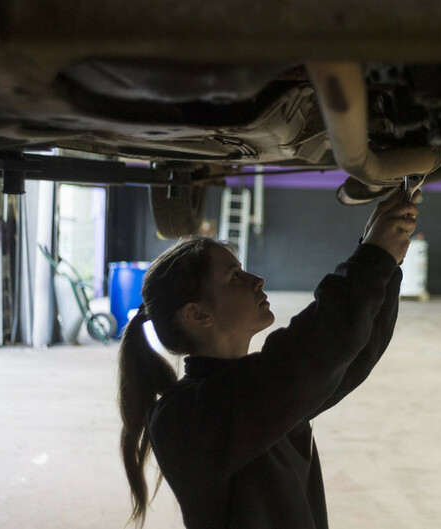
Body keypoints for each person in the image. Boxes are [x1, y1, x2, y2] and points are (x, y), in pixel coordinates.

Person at [117, 188, 420, 529]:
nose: (257, 280)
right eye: (235, 276)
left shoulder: (255, 398)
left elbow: (350, 356)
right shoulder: (185, 416)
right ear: (197, 314)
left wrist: (384, 260)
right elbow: (305, 361)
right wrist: (373, 258)